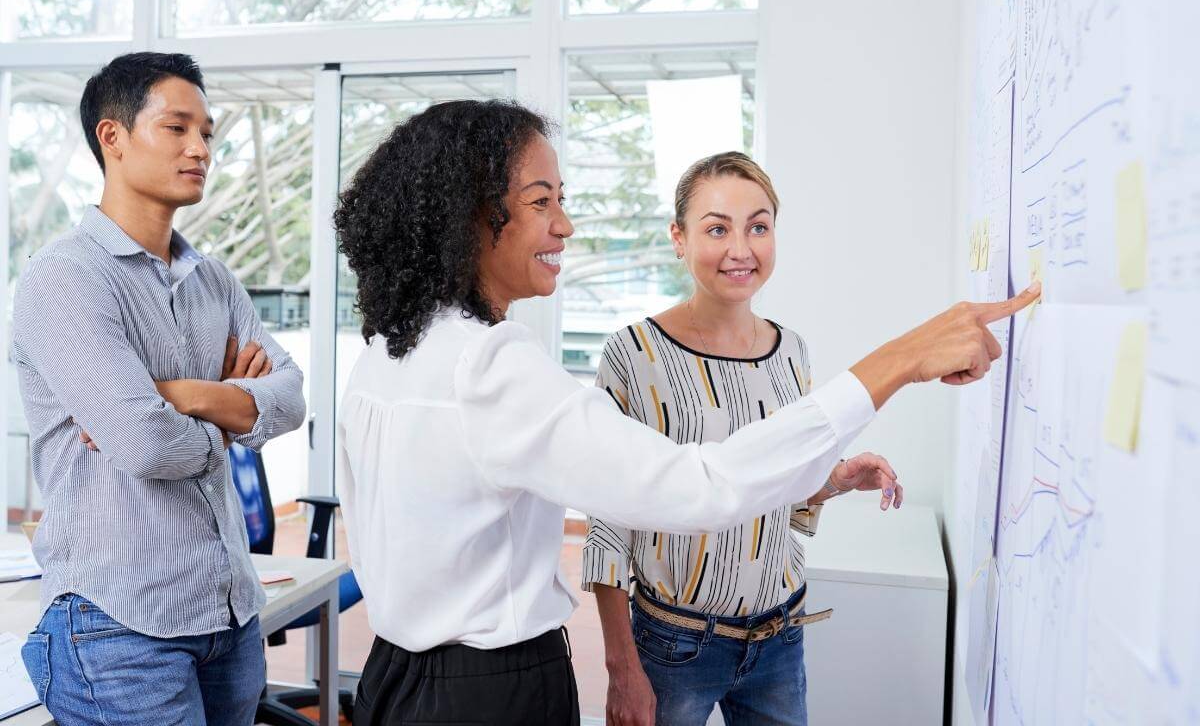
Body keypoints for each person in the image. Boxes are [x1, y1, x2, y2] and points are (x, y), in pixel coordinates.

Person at [332, 99, 1038, 726]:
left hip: (395, 678)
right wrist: (901, 358)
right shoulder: (491, 365)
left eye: (758, 226)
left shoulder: (385, 357)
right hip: (493, 690)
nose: (566, 224)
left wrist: (822, 477)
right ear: (472, 216)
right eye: (542, 200)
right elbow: (695, 487)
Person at [12, 52, 307, 726]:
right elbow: (145, 444)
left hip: (228, 614)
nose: (200, 148)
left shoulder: (215, 281)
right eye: (177, 128)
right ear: (112, 138)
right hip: (119, 625)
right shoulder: (66, 280)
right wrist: (232, 412)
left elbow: (290, 399)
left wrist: (183, 393)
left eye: (207, 132)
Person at [583, 151, 902, 726]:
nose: (741, 249)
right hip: (674, 647)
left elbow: (775, 489)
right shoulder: (634, 354)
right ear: (678, 239)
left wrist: (832, 481)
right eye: (716, 229)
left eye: (758, 226)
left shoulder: (792, 350)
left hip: (781, 638)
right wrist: (621, 667)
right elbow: (608, 519)